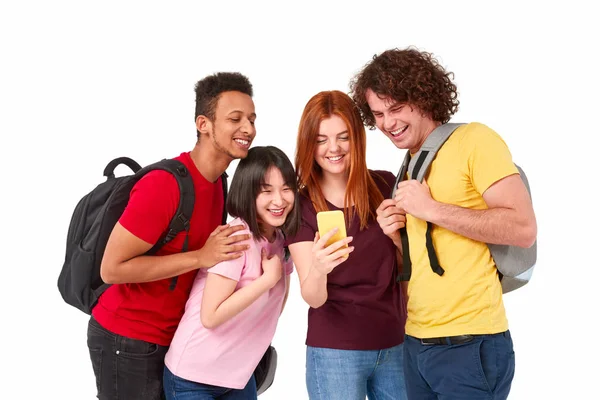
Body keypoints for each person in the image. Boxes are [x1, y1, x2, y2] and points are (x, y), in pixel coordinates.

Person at [350, 47, 538, 399]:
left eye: (396, 108)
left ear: (423, 98)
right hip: (417, 343)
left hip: (469, 343)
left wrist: (433, 209)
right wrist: (396, 236)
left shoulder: (475, 140)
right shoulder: (410, 164)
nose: (388, 123)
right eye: (378, 113)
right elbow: (427, 259)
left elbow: (523, 228)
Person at [87, 72, 257, 400]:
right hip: (128, 339)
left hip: (175, 341)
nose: (248, 128)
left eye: (251, 119)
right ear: (203, 124)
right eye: (235, 119)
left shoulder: (220, 182)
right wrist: (200, 257)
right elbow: (112, 269)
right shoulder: (164, 185)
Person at [286, 90, 407, 400]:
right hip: (335, 352)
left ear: (357, 138)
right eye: (321, 139)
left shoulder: (385, 185)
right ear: (308, 144)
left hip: (397, 342)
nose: (334, 148)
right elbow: (312, 297)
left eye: (343, 137)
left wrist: (398, 239)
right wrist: (320, 267)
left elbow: (410, 270)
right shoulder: (301, 206)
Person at [163, 145, 300, 400]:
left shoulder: (281, 241)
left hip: (237, 376)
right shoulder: (236, 237)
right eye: (266, 191)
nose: (279, 200)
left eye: (286, 188)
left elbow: (275, 306)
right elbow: (210, 316)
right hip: (193, 377)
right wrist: (267, 280)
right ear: (248, 193)